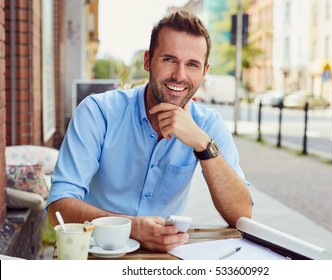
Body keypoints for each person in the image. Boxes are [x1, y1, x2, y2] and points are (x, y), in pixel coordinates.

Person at [46, 10, 252, 252]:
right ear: (147, 61)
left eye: (192, 65)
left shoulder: (208, 125)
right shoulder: (99, 112)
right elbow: (58, 207)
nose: (180, 75)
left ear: (204, 72)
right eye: (169, 59)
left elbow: (242, 215)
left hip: (162, 258)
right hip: (95, 251)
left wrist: (203, 145)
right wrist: (132, 227)